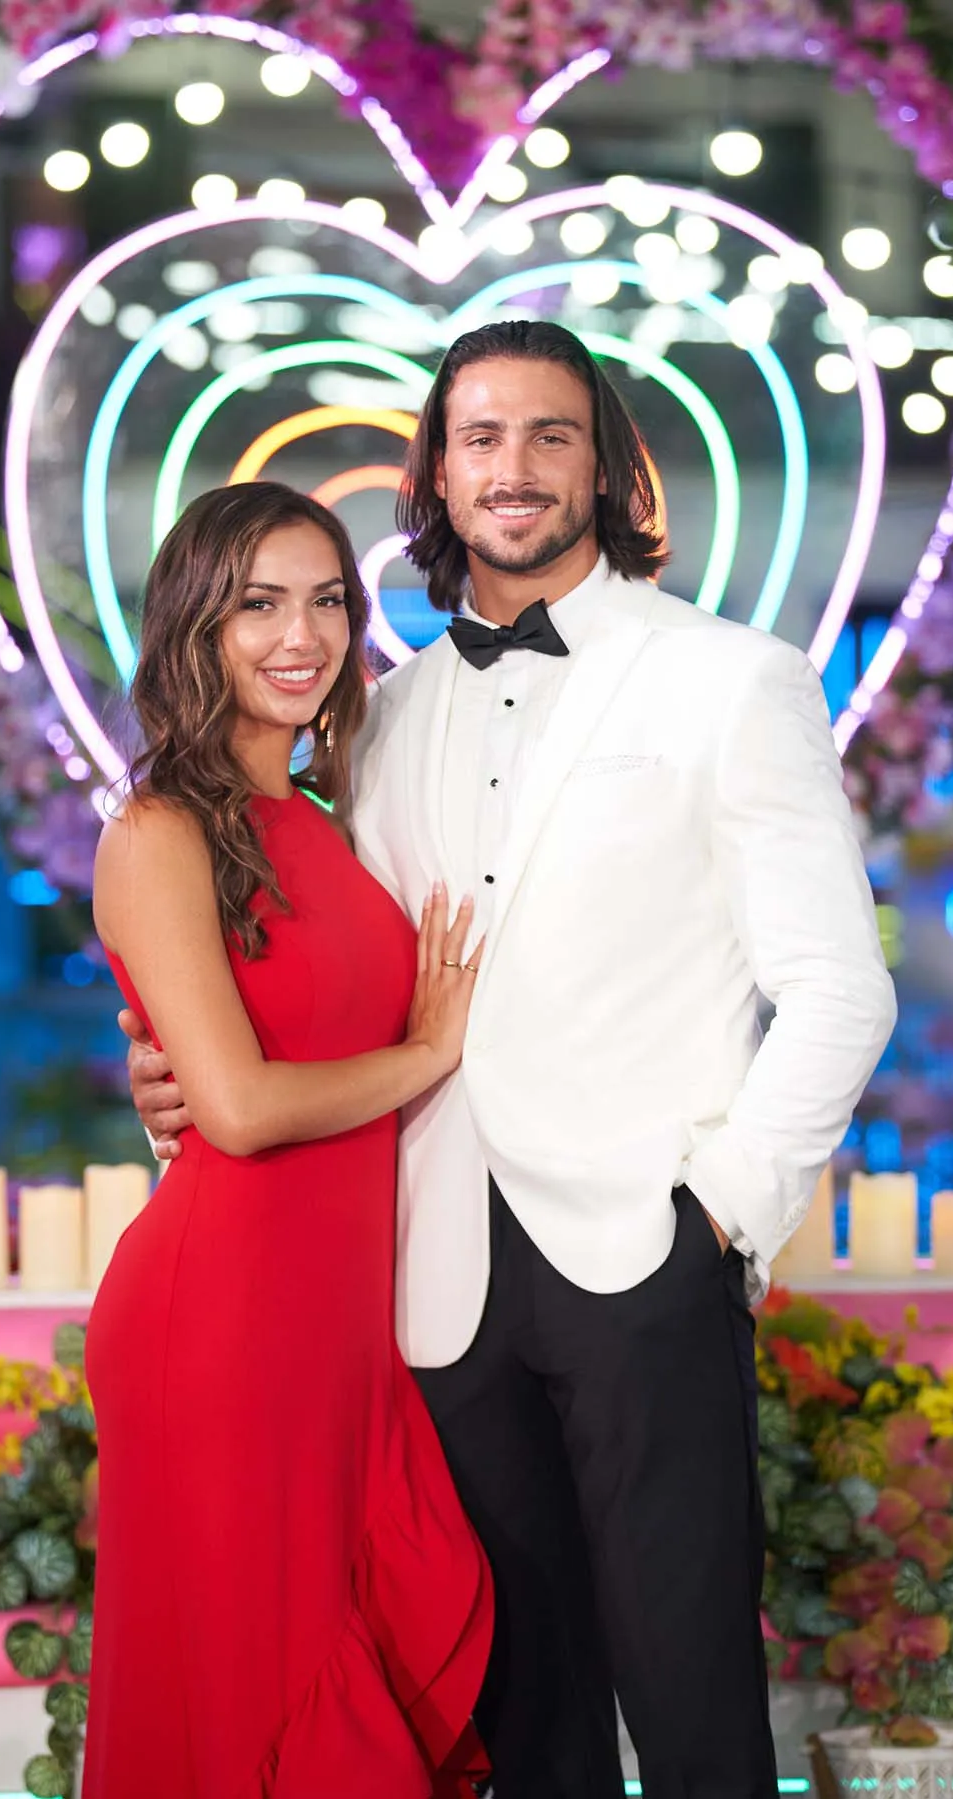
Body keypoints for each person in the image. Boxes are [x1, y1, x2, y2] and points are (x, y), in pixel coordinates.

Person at [126, 320, 898, 1799]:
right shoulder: (378, 714)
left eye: (552, 434)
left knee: (695, 1709)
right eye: (480, 437)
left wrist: (723, 1211)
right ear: (435, 472)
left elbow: (838, 988)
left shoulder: (730, 678)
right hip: (427, 1276)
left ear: (605, 468)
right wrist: (169, 1073)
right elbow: (309, 981)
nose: (516, 466)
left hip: (643, 1249)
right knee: (524, 1721)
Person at [84, 481, 493, 1799]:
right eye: (258, 603)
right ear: (193, 624)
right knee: (250, 1695)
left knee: (347, 1649)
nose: (300, 635)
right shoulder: (156, 830)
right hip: (223, 1318)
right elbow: (243, 1107)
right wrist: (427, 1052)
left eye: (326, 600)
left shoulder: (329, 817)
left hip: (341, 1326)